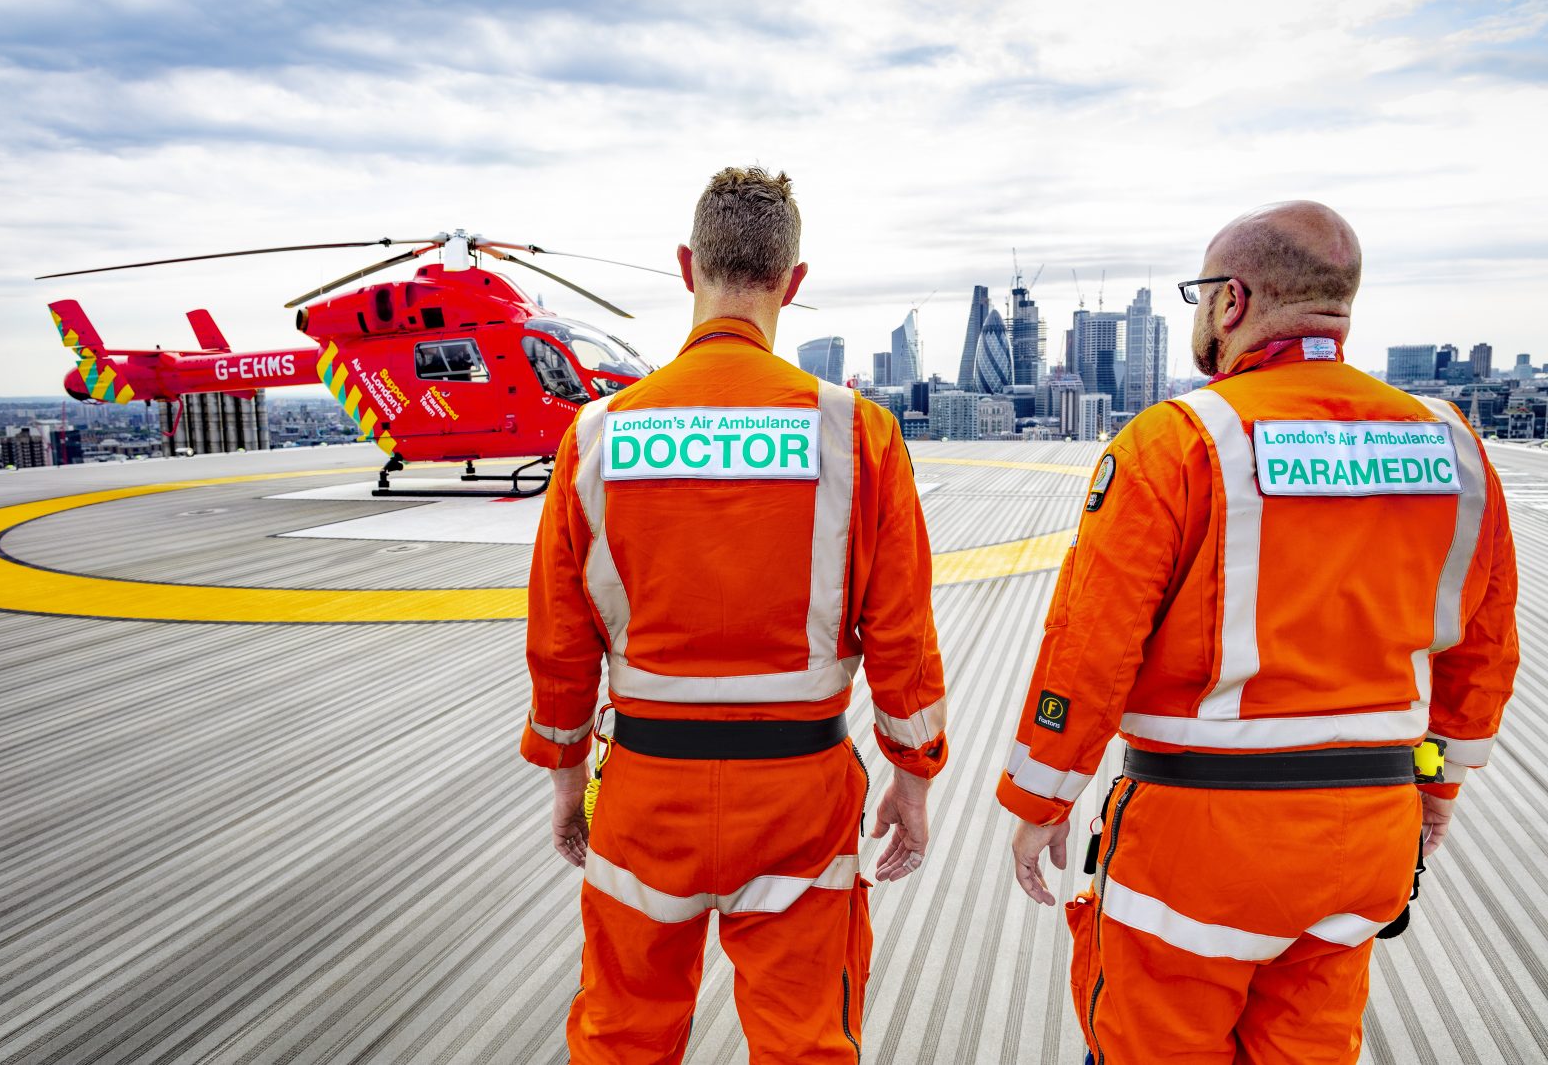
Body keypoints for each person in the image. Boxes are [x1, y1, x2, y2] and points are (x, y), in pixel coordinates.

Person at [999, 201, 1518, 1064]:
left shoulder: (1180, 442)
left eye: (1201, 294)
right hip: (1367, 836)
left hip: (1198, 846)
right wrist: (1440, 788)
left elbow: (1090, 643)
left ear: (1231, 301)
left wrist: (1039, 800)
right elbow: (1483, 650)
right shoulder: (1453, 445)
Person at [522, 165, 948, 1064]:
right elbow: (902, 633)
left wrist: (567, 776)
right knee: (805, 1043)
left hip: (643, 789)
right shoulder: (856, 432)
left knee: (622, 1037)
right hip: (800, 795)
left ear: (687, 266)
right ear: (792, 283)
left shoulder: (595, 436)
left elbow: (561, 639)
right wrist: (913, 775)